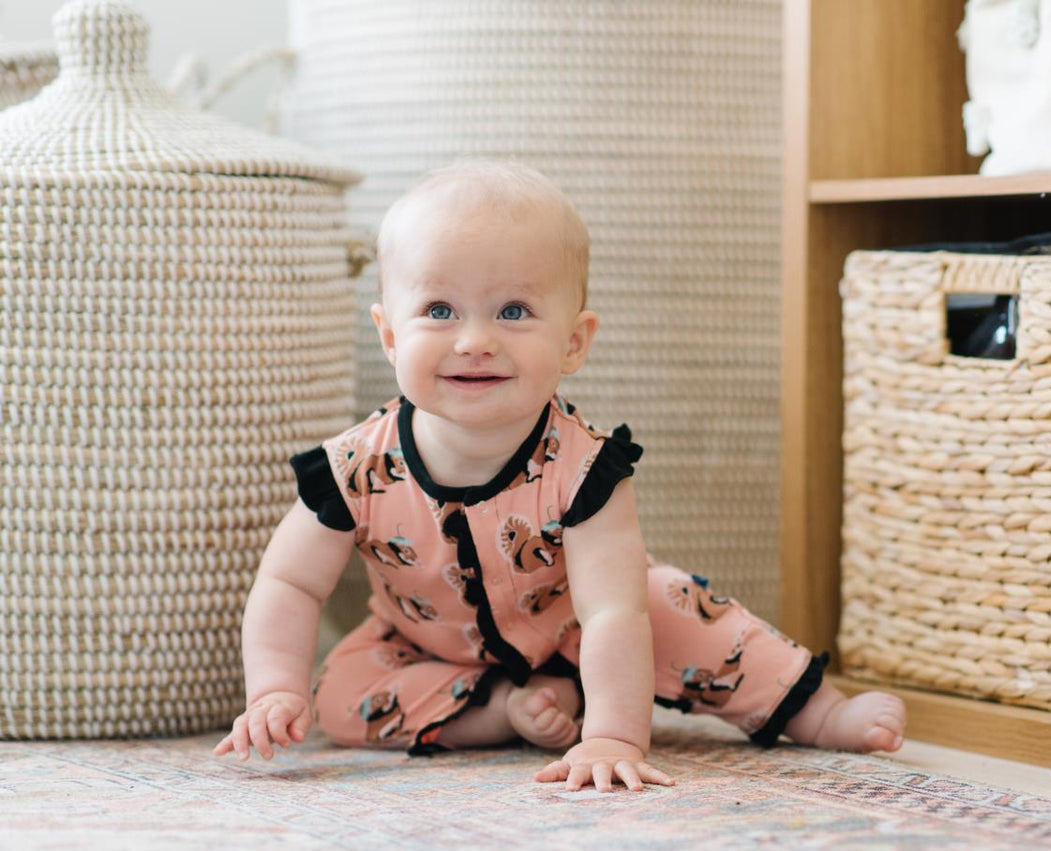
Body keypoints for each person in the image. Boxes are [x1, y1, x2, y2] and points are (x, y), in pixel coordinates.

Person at [214, 161, 907, 791]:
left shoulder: (583, 468)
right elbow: (290, 582)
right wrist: (275, 689)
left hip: (590, 636)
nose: (474, 339)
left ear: (574, 341)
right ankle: (503, 713)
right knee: (341, 693)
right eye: (439, 311)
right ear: (391, 337)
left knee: (678, 610)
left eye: (513, 312)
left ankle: (818, 712)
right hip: (428, 650)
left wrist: (612, 737)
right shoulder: (353, 467)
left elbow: (614, 612)